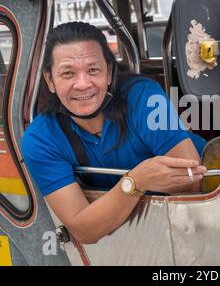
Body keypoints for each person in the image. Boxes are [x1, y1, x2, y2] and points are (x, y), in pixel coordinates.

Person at [21, 22, 207, 244]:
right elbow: (85, 230)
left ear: (109, 73)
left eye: (93, 70)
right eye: (68, 73)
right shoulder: (40, 139)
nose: (82, 84)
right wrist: (136, 181)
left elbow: (190, 180)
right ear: (50, 81)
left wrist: (118, 199)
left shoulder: (144, 97)